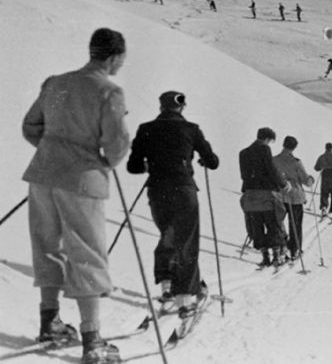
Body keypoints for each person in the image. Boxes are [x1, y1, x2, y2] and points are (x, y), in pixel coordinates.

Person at [22, 28, 129, 364]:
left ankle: (49, 321)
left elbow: (31, 126)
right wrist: (100, 162)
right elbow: (116, 143)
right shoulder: (109, 91)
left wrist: (53, 151)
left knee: (46, 245)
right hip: (82, 180)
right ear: (115, 57)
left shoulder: (57, 84)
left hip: (42, 174)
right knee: (86, 252)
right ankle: (92, 340)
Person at [126, 91, 219, 318]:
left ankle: (167, 286)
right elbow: (213, 162)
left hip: (157, 190)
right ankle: (184, 299)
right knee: (186, 241)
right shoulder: (191, 129)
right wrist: (201, 159)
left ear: (161, 106)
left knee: (167, 234)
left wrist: (152, 165)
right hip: (184, 190)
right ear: (182, 107)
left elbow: (133, 166)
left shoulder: (145, 129)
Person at [238, 128, 290, 267]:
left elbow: (243, 175)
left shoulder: (243, 153)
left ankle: (265, 257)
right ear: (267, 139)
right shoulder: (264, 149)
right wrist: (283, 184)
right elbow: (271, 170)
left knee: (257, 227)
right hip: (266, 196)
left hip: (250, 196)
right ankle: (277, 256)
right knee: (273, 225)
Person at [273, 136, 314, 260]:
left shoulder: (274, 160)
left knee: (278, 223)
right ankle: (295, 250)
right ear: (294, 147)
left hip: (279, 195)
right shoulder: (296, 162)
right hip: (295, 197)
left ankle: (281, 247)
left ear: (283, 144)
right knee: (295, 224)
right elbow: (306, 181)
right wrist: (311, 179)